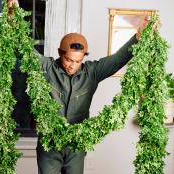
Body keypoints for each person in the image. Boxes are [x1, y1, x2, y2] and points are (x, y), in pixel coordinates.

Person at [36, 17, 149, 174]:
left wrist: (138, 37)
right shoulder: (48, 68)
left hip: (76, 146)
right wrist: (14, 19)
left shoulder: (92, 72)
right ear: (60, 53)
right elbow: (26, 52)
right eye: (68, 59)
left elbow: (117, 59)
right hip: (49, 145)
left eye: (77, 61)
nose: (72, 65)